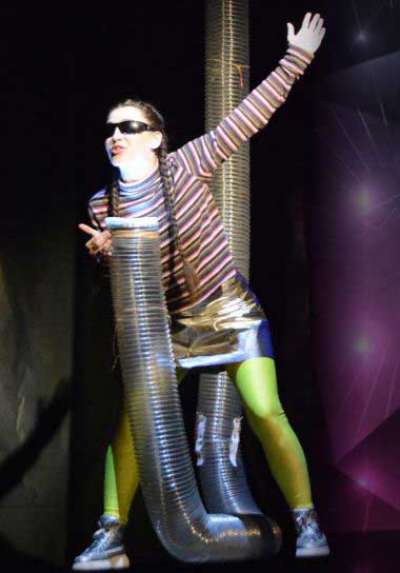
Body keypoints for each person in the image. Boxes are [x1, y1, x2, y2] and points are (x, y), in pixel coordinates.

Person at [74, 12, 328, 570]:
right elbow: (122, 290)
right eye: (111, 129)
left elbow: (248, 117)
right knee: (134, 424)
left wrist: (297, 58)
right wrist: (108, 258)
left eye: (129, 127)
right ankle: (110, 535)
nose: (116, 136)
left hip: (228, 309)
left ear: (156, 138)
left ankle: (306, 519)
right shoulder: (102, 204)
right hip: (169, 328)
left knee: (265, 410)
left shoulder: (186, 166)